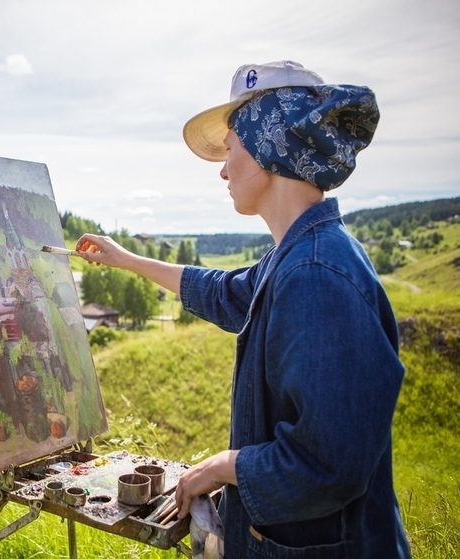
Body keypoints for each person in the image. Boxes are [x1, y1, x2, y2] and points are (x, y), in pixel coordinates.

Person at [76, 61, 411, 558]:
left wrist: (223, 465)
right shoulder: (298, 255)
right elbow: (222, 291)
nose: (224, 168)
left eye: (232, 148)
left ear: (267, 145)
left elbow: (328, 465)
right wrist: (124, 260)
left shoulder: (315, 275)